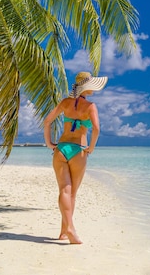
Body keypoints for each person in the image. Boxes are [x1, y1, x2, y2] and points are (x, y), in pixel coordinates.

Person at [43, 71, 108, 244]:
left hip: (62, 149)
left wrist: (49, 143)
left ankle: (64, 231)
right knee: (72, 194)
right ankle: (70, 229)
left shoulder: (65, 103)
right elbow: (96, 129)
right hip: (78, 151)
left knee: (65, 190)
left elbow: (47, 121)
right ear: (86, 88)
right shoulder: (90, 106)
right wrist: (91, 148)